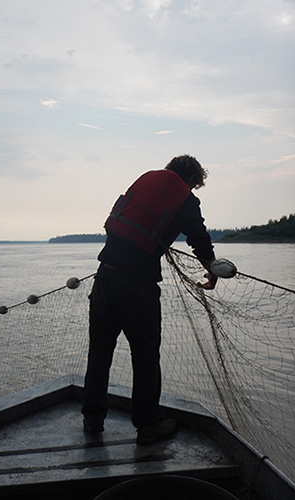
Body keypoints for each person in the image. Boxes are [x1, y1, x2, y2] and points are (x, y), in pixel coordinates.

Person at [82, 155, 217, 445]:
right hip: (138, 288)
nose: (193, 190)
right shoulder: (186, 198)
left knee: (99, 353)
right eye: (195, 184)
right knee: (145, 358)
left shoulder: (144, 180)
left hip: (104, 279)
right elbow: (199, 238)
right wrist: (212, 269)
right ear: (190, 179)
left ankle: (93, 418)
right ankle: (147, 425)